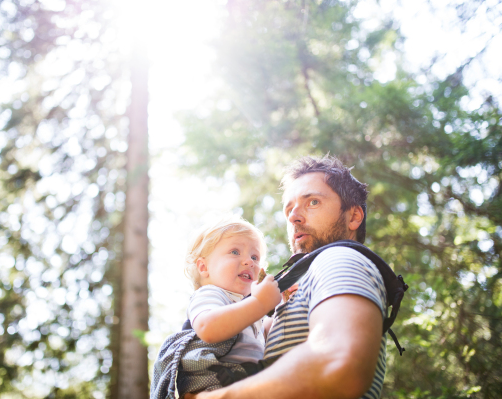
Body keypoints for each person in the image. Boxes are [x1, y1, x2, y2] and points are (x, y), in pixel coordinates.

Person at [186, 154, 388, 399]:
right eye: (289, 209)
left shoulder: (338, 258)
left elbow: (338, 362)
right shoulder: (305, 282)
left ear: (354, 216)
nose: (293, 216)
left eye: (312, 202)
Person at [151, 215, 282, 397]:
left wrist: (284, 305)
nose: (249, 262)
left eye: (255, 256)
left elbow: (265, 332)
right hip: (213, 385)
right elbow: (208, 328)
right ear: (204, 268)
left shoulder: (248, 306)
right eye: (235, 252)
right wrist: (260, 303)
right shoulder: (211, 294)